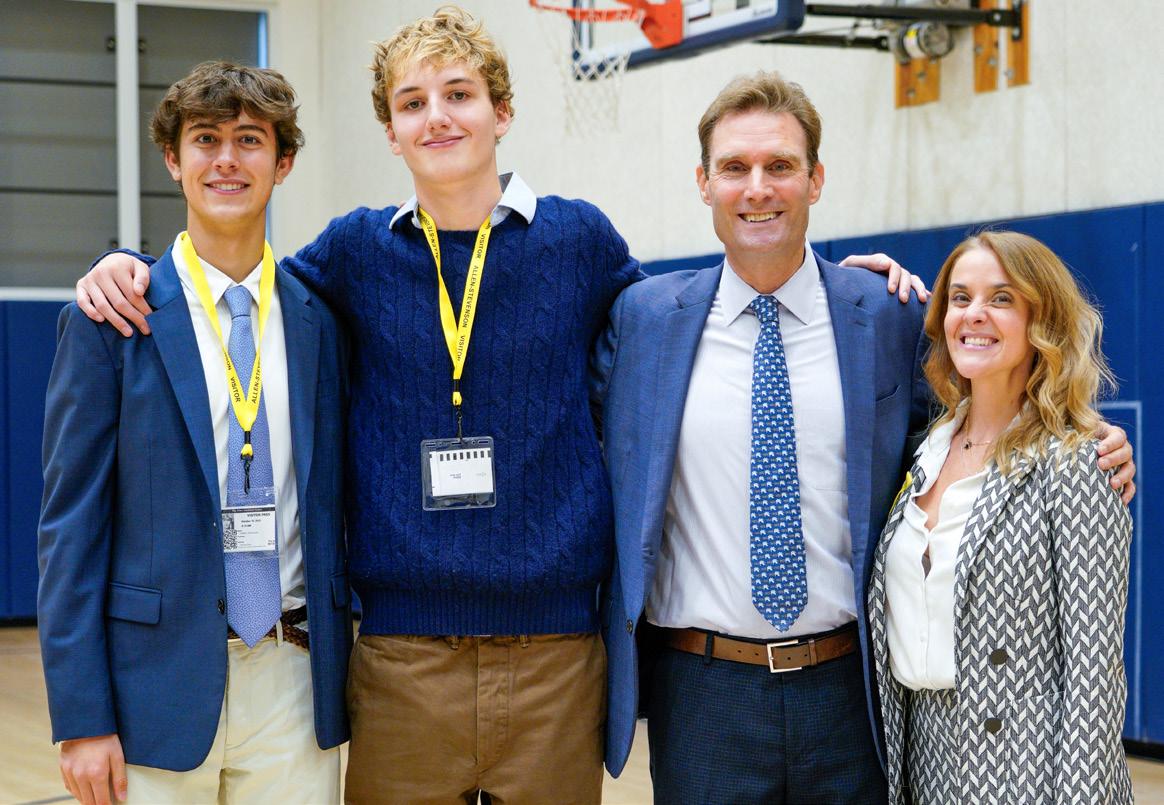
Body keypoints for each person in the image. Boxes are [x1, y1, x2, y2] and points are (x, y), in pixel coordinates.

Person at [592, 71, 1136, 803]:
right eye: (735, 167)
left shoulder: (885, 316)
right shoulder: (643, 320)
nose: (758, 188)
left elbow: (976, 418)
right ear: (704, 182)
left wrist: (1081, 430)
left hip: (853, 693)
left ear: (815, 180)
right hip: (702, 692)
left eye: (781, 165)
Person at [38, 62, 351, 805]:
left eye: (250, 140)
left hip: (294, 681)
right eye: (205, 139)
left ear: (283, 162)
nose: (226, 160)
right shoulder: (113, 319)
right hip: (152, 686)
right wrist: (81, 718)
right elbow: (70, 530)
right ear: (173, 160)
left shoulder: (321, 321)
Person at [867, 231, 1133, 804]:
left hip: (1030, 772)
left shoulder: (1078, 460)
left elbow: (1093, 674)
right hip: (921, 764)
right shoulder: (924, 450)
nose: (974, 314)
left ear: (1043, 321)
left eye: (1002, 298)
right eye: (960, 298)